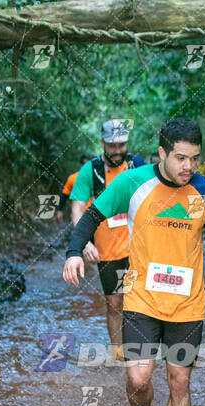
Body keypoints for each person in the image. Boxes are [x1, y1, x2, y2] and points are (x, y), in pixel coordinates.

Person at [63, 117, 205, 406]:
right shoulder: (132, 183)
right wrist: (74, 251)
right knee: (138, 379)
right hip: (141, 299)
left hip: (188, 304)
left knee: (179, 380)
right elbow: (91, 216)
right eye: (181, 157)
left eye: (195, 158)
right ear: (162, 153)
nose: (188, 166)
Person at [70, 120, 144, 360]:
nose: (117, 151)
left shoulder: (137, 165)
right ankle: (119, 354)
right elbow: (77, 209)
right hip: (107, 252)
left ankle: (143, 352)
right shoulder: (89, 172)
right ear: (102, 143)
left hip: (138, 249)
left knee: (140, 302)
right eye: (112, 145)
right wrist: (84, 244)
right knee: (115, 305)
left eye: (121, 145)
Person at [56, 155, 92, 223]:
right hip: (78, 214)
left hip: (93, 214)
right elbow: (65, 195)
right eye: (85, 165)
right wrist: (60, 210)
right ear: (81, 165)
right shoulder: (73, 178)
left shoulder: (97, 178)